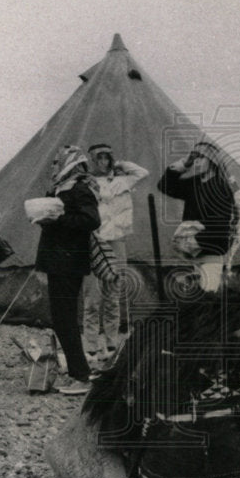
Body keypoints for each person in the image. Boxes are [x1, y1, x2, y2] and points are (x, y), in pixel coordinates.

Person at [34, 145, 101, 395]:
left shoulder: (79, 188)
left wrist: (58, 220)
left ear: (70, 163)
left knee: (65, 318)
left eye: (56, 162)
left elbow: (92, 220)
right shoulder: (62, 187)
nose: (53, 166)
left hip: (68, 262)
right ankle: (78, 369)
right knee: (63, 318)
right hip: (58, 261)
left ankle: (80, 376)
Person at [82, 142, 149, 369]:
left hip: (118, 240)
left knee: (113, 294)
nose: (103, 163)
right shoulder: (87, 182)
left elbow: (142, 172)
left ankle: (111, 346)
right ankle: (90, 348)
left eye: (107, 158)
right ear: (92, 160)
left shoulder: (122, 180)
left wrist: (119, 164)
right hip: (95, 241)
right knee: (92, 296)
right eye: (98, 158)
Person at [157, 140, 239, 292]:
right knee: (197, 302)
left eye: (201, 157)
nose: (197, 161)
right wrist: (185, 164)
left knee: (208, 300)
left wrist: (194, 241)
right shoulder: (194, 184)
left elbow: (221, 226)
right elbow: (164, 185)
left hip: (211, 253)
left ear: (212, 161)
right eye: (195, 157)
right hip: (194, 255)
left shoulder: (221, 187)